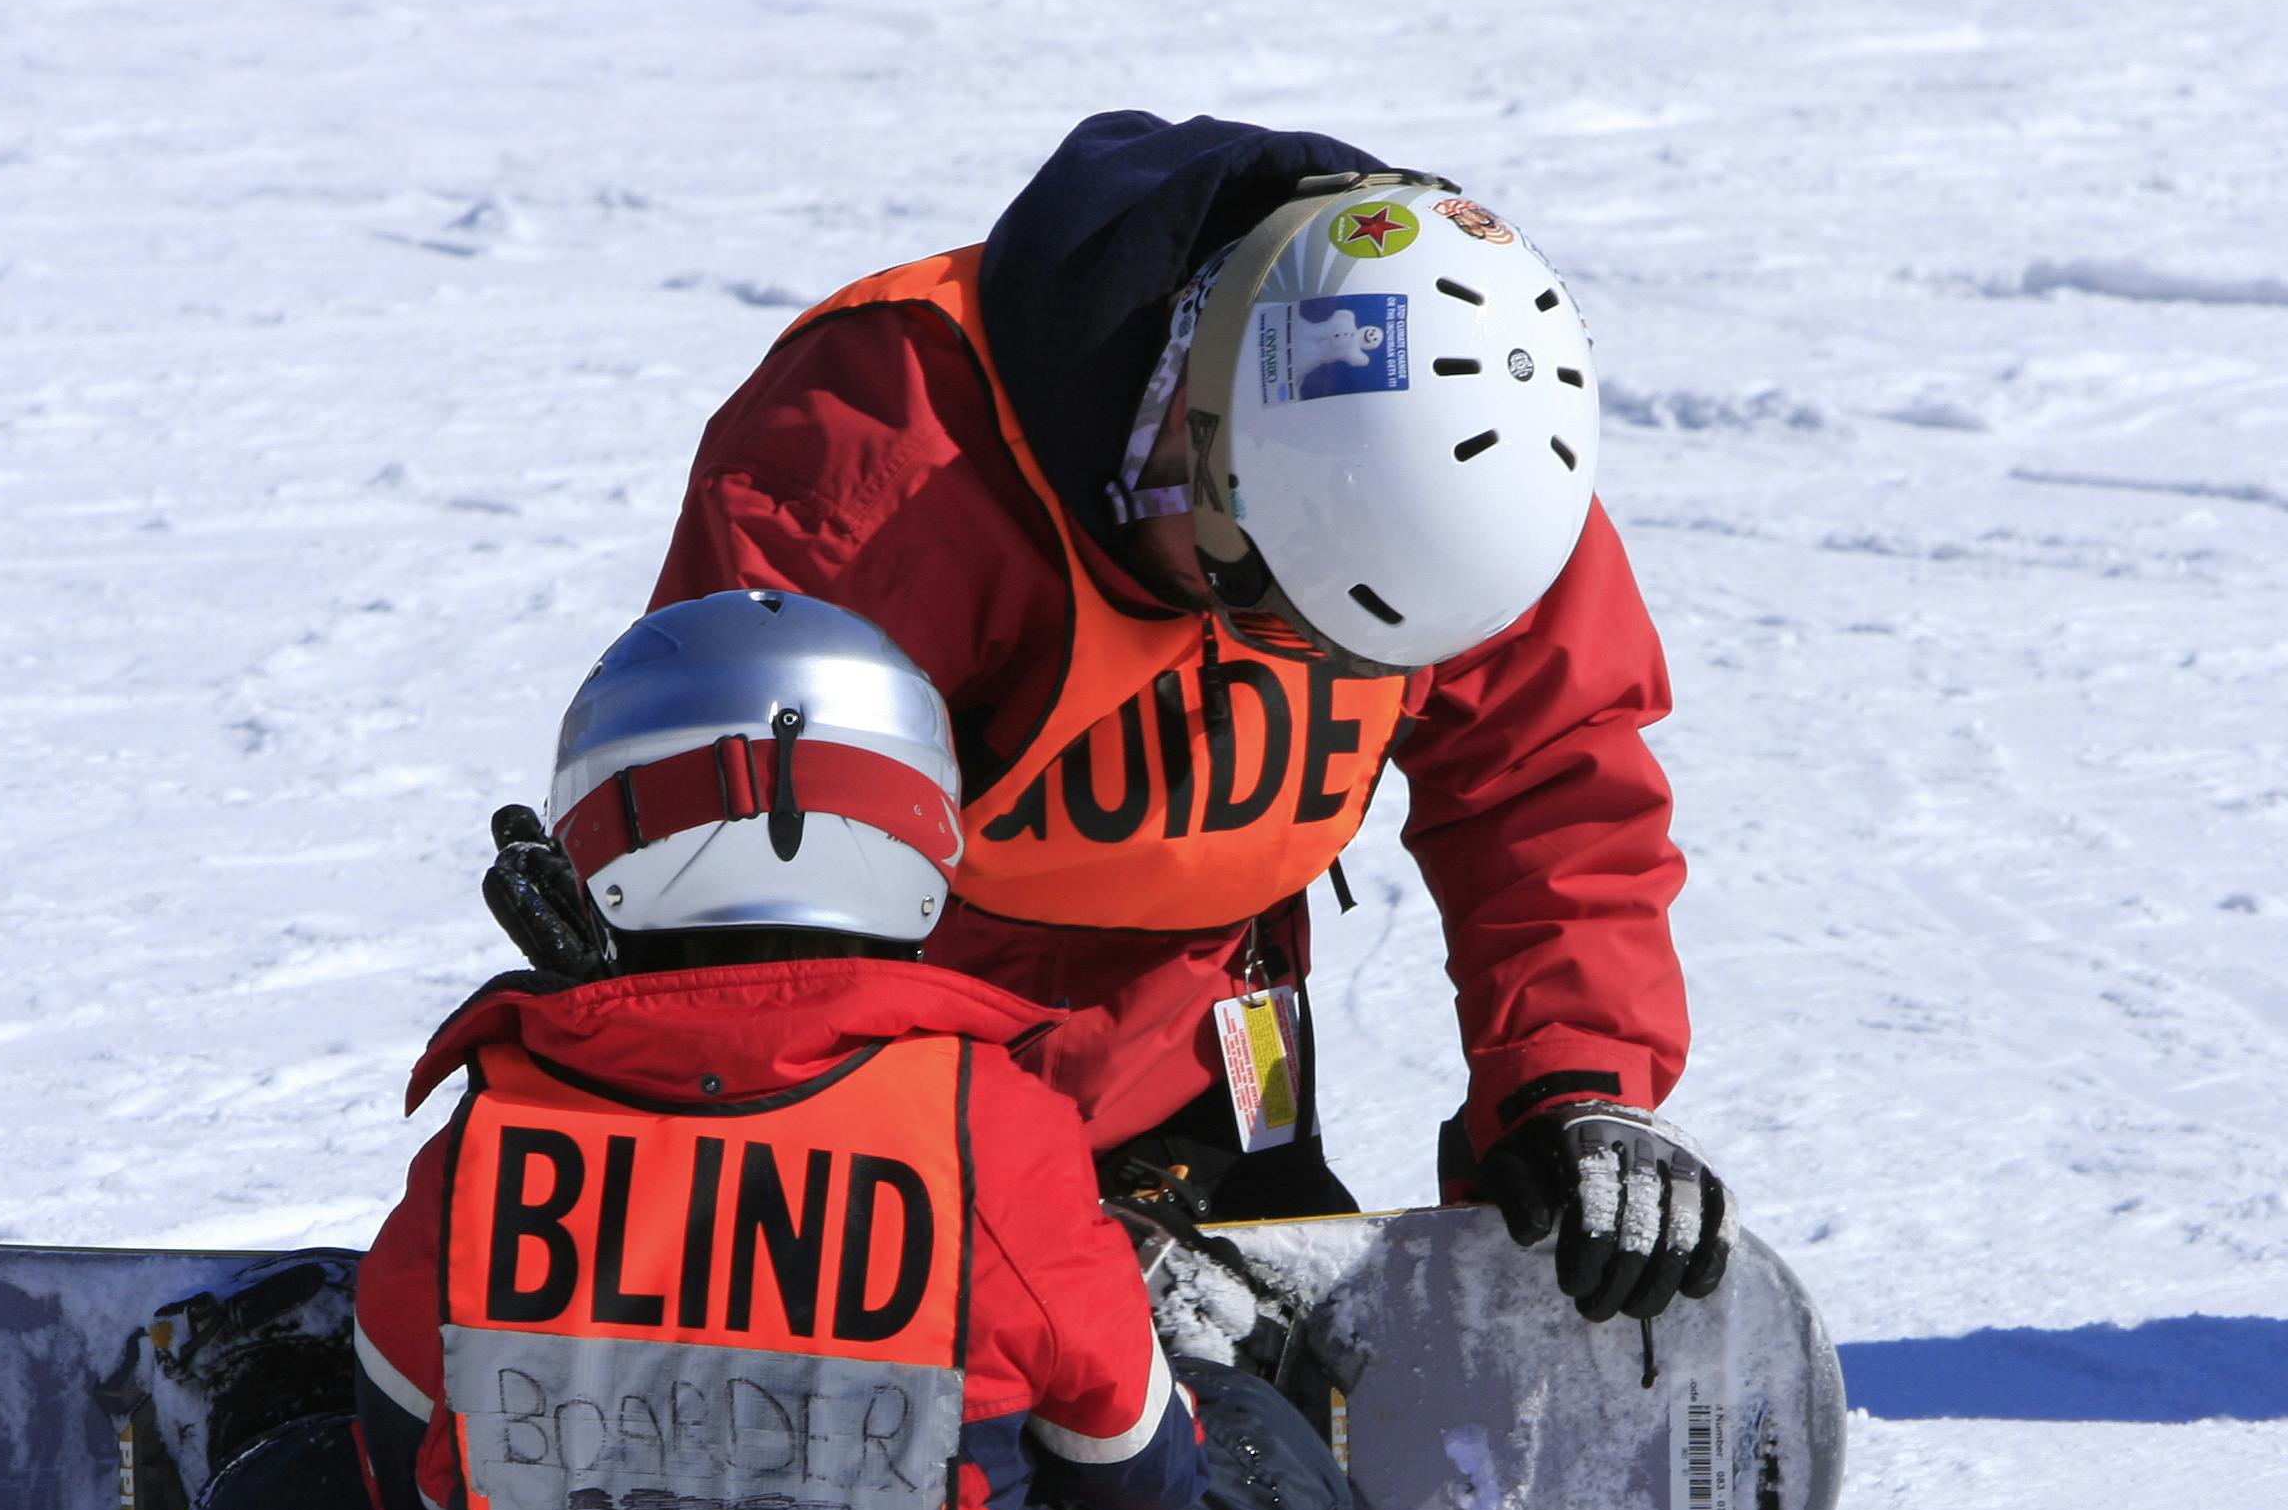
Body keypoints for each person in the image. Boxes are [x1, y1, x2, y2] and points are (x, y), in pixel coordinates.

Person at [160, 590, 1353, 1510]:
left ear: (592, 831)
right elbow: (1146, 1482)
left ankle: (248, 1452)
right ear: (919, 825)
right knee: (1244, 1456)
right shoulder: (994, 1129)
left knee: (299, 1497)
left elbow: (410, 1488)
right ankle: (1203, 1349)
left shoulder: (492, 1137)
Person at [651, 109, 1731, 1326]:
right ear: (1190, 436)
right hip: (894, 1103)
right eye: (1267, 607)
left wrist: (1575, 1086)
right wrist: (1013, 1233)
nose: (1305, 666)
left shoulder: (1463, 463)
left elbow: (1550, 777)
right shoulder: (887, 448)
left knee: (1294, 1444)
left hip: (1209, 1066)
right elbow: (755, 899)